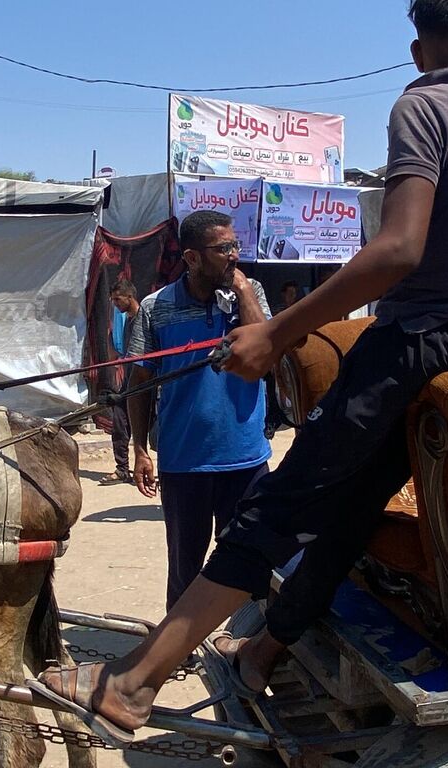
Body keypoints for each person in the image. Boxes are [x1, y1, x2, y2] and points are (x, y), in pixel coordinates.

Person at [33, 0, 448, 738]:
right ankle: (264, 651)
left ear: (415, 49)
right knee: (350, 511)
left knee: (274, 507)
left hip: (417, 346)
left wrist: (278, 332)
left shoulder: (426, 106)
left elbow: (399, 249)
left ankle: (136, 685)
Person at [124, 210, 273, 608]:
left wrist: (242, 293)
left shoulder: (251, 294)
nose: (234, 255)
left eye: (235, 245)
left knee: (249, 559)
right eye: (223, 248)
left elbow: (266, 351)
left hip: (246, 458)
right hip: (185, 462)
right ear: (191, 258)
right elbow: (139, 384)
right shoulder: (156, 309)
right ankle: (179, 650)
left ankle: (243, 642)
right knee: (185, 566)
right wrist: (139, 448)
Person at [99, 278, 139, 485]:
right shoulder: (127, 320)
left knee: (157, 432)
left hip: (147, 382)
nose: (115, 304)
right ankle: (122, 469)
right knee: (120, 423)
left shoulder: (143, 319)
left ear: (129, 297)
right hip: (131, 381)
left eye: (117, 299)